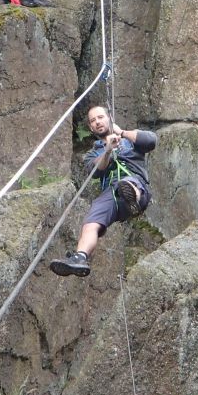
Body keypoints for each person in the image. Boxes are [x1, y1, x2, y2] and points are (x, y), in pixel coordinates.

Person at [50, 106, 157, 277]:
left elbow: (150, 141)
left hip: (136, 183)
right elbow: (96, 170)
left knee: (128, 184)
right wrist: (107, 150)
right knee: (91, 221)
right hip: (111, 194)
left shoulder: (130, 139)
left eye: (100, 117)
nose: (97, 122)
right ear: (91, 128)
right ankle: (80, 257)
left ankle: (133, 199)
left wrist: (122, 133)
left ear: (110, 118)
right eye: (93, 121)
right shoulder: (92, 153)